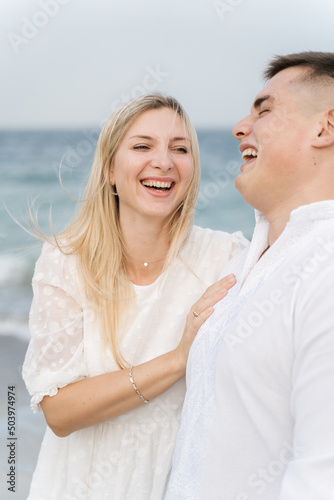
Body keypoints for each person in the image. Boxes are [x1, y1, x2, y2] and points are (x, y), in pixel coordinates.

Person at [22, 93, 248, 499]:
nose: (164, 161)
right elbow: (59, 411)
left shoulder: (226, 258)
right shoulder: (65, 262)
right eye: (142, 146)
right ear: (110, 168)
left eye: (180, 149)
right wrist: (178, 358)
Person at [165, 51, 334, 500]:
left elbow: (323, 475)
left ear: (326, 128)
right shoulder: (243, 259)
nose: (241, 126)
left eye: (264, 110)